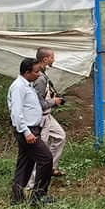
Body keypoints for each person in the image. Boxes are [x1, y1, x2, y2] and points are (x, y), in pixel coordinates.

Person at [9, 58, 53, 204]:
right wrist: (27, 132)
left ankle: (17, 197)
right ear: (27, 72)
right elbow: (16, 112)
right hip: (27, 130)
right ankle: (38, 195)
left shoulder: (28, 85)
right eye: (36, 71)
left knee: (25, 163)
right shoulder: (18, 87)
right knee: (46, 159)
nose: (39, 74)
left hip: (32, 128)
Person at [31, 47, 68, 178]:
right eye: (52, 57)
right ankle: (33, 182)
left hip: (47, 115)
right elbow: (38, 103)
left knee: (60, 136)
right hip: (41, 117)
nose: (54, 59)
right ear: (45, 59)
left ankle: (51, 167)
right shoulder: (40, 78)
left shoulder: (43, 74)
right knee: (41, 148)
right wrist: (54, 101)